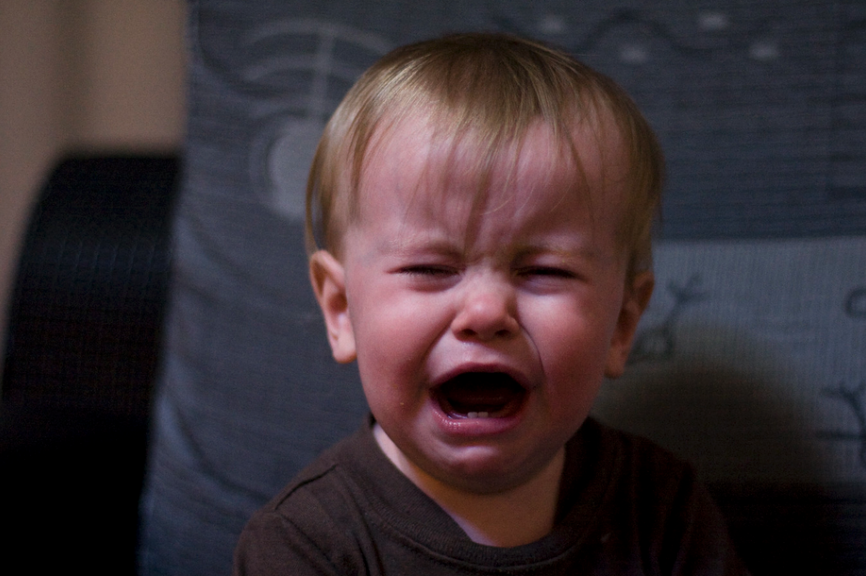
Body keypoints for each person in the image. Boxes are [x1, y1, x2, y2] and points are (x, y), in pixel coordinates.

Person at [234, 32, 748, 575]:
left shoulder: (661, 508)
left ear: (621, 324)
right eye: (430, 269)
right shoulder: (304, 545)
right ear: (341, 311)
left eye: (545, 271)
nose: (484, 314)